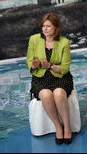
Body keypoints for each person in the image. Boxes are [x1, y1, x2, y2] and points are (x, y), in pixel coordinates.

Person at [26, 12, 74, 144]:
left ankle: (67, 127)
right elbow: (29, 61)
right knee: (46, 95)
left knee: (59, 94)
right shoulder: (34, 39)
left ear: (56, 28)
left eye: (48, 26)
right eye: (43, 26)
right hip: (40, 78)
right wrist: (34, 65)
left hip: (60, 77)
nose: (44, 29)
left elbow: (64, 68)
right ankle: (58, 126)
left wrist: (50, 66)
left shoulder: (64, 42)